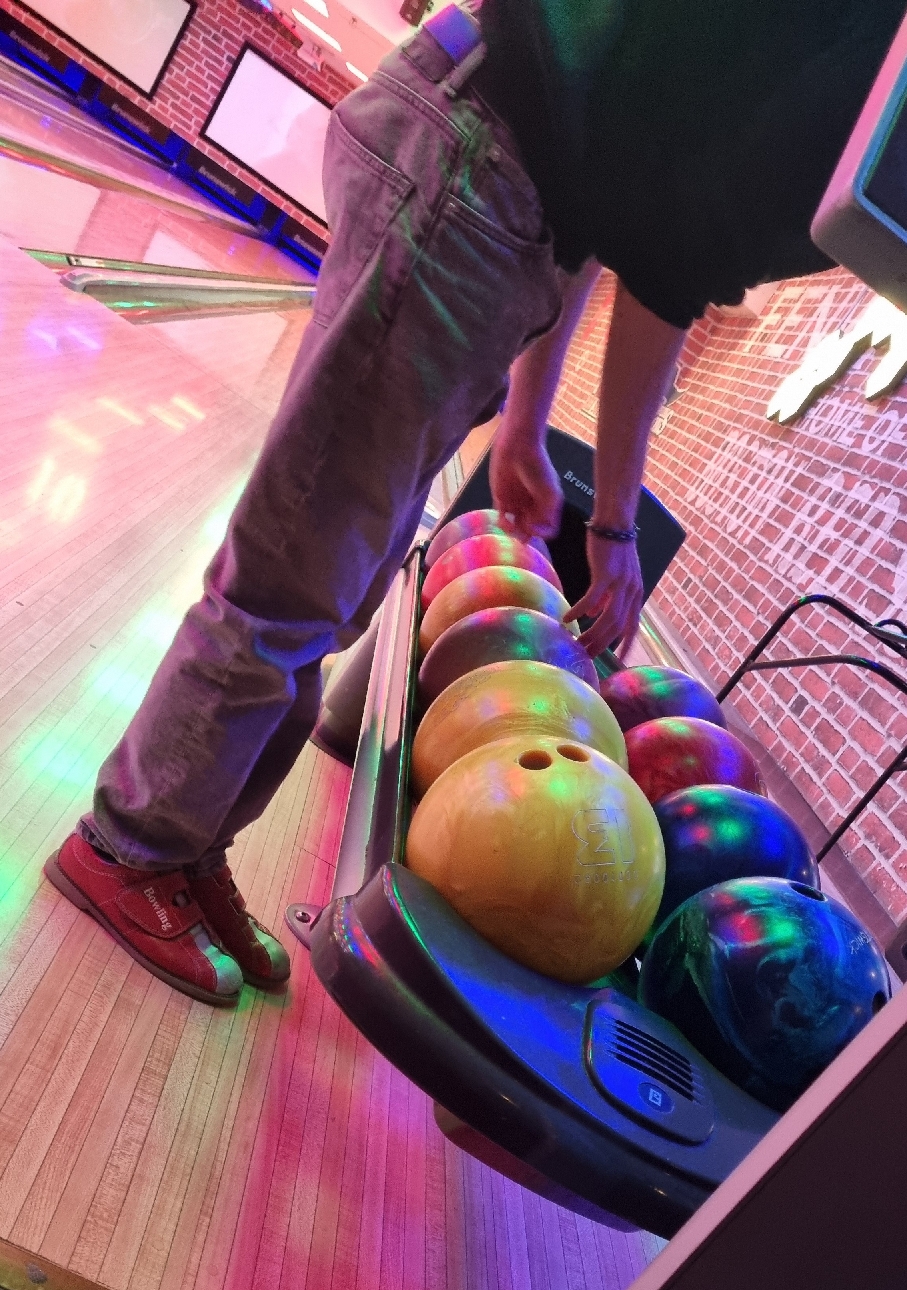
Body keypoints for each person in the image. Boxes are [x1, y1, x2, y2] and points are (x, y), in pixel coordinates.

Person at [45, 0, 905, 1006]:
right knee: (296, 570)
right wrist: (612, 523)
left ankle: (189, 842)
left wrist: (527, 424)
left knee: (336, 589)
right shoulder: (865, 72)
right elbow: (666, 265)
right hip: (473, 164)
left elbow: (609, 205)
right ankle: (127, 847)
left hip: (501, 190)